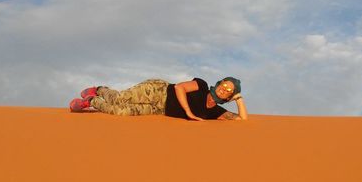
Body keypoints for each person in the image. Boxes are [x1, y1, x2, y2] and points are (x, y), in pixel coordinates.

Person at [69, 77, 248, 121]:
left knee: (121, 112)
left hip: (159, 109)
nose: (224, 89)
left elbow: (242, 120)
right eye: (224, 85)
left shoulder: (216, 111)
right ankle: (100, 89)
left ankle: (91, 101)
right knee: (120, 98)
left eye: (229, 90)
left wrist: (239, 100)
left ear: (230, 96)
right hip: (158, 91)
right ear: (218, 83)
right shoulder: (201, 85)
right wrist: (188, 112)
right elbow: (179, 88)